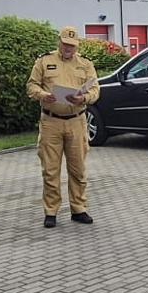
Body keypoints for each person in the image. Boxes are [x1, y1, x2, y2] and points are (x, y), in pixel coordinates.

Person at [28, 27, 101, 227]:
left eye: (72, 45)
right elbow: (32, 86)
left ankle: (79, 209)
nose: (68, 48)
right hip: (51, 122)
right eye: (65, 44)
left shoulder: (85, 64)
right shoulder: (44, 61)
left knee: (78, 168)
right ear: (59, 42)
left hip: (77, 121)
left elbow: (95, 89)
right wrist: (43, 95)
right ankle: (51, 211)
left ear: (77, 46)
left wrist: (84, 97)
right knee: (50, 170)